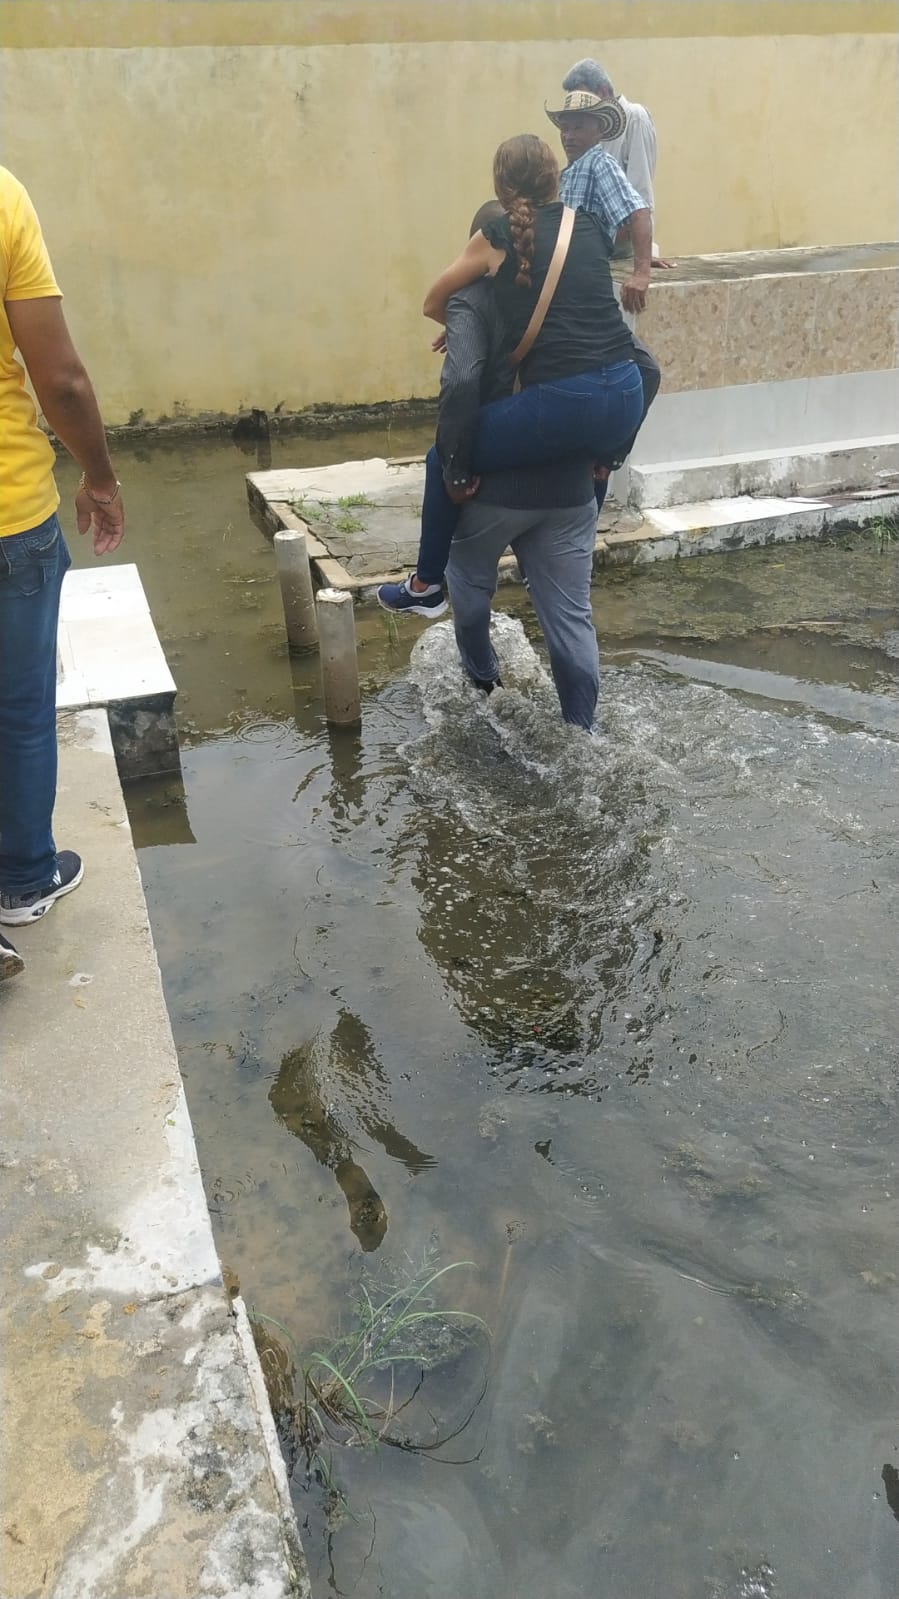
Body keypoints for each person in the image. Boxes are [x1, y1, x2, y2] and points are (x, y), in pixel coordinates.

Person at [378, 135, 650, 620]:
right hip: (624, 396)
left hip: (565, 401)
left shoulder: (495, 238)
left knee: (440, 457)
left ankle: (425, 585)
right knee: (593, 451)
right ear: (555, 178)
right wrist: (610, 456)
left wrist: (458, 469)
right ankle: (575, 536)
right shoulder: (586, 227)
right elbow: (649, 368)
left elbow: (434, 308)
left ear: (501, 186)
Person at [0, 165, 125, 980]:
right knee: (18, 710)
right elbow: (62, 378)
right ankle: (22, 878)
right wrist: (102, 477)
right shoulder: (2, 196)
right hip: (8, 512)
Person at [556, 60, 674, 268]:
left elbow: (640, 194)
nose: (570, 134)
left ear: (602, 92)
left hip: (617, 248)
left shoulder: (635, 117)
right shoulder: (581, 138)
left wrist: (640, 259)